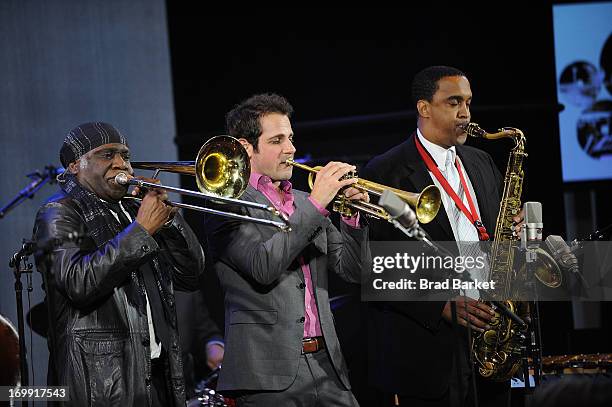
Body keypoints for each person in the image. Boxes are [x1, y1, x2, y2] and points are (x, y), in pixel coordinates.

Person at [362, 66, 522, 407]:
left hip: (490, 337)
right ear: (424, 108)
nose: (465, 112)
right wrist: (440, 305)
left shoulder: (481, 162)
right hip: (429, 350)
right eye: (453, 102)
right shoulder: (384, 171)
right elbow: (379, 266)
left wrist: (511, 234)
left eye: (467, 102)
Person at [205, 93, 371, 406]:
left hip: (328, 366)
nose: (291, 149)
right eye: (277, 140)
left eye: (291, 138)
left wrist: (351, 219)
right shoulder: (225, 203)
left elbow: (355, 270)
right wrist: (317, 204)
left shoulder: (302, 201)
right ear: (245, 147)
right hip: (267, 378)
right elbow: (263, 266)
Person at [33, 122, 205, 407]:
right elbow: (78, 282)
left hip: (158, 378)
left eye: (124, 155)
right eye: (106, 155)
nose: (121, 163)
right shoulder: (58, 212)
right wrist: (140, 231)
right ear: (75, 165)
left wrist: (170, 220)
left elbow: (191, 275)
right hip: (103, 389)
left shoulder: (133, 212)